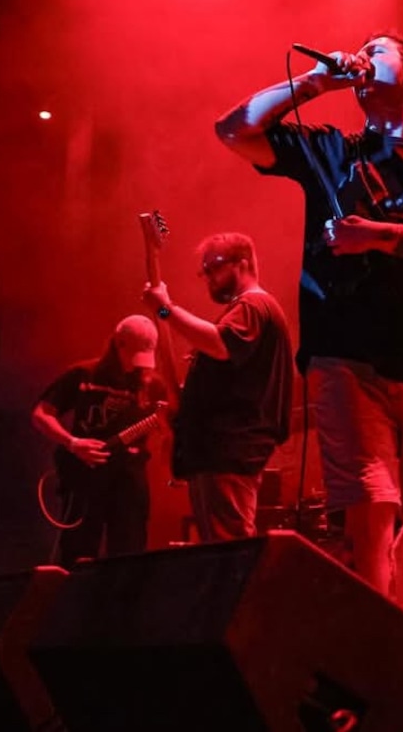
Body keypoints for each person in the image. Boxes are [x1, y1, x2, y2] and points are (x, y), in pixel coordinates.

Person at [213, 32, 403, 607]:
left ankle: (383, 626)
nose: (363, 58)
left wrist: (377, 237)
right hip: (346, 354)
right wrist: (316, 82)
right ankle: (381, 643)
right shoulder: (333, 151)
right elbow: (234, 130)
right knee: (371, 504)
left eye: (378, 51)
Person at [141, 232, 294, 542]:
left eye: (214, 266)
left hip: (229, 452)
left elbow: (220, 343)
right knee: (220, 548)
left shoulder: (253, 305)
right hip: (219, 453)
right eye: (204, 270)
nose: (208, 276)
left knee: (229, 550)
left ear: (243, 263)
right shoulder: (247, 309)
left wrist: (165, 309)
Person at [32, 314, 172, 568]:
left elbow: (168, 433)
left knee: (130, 553)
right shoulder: (84, 375)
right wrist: (73, 443)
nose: (138, 366)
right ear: (118, 343)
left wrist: (168, 434)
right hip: (86, 475)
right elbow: (42, 414)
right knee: (77, 553)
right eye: (134, 355)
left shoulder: (153, 385)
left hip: (130, 477)